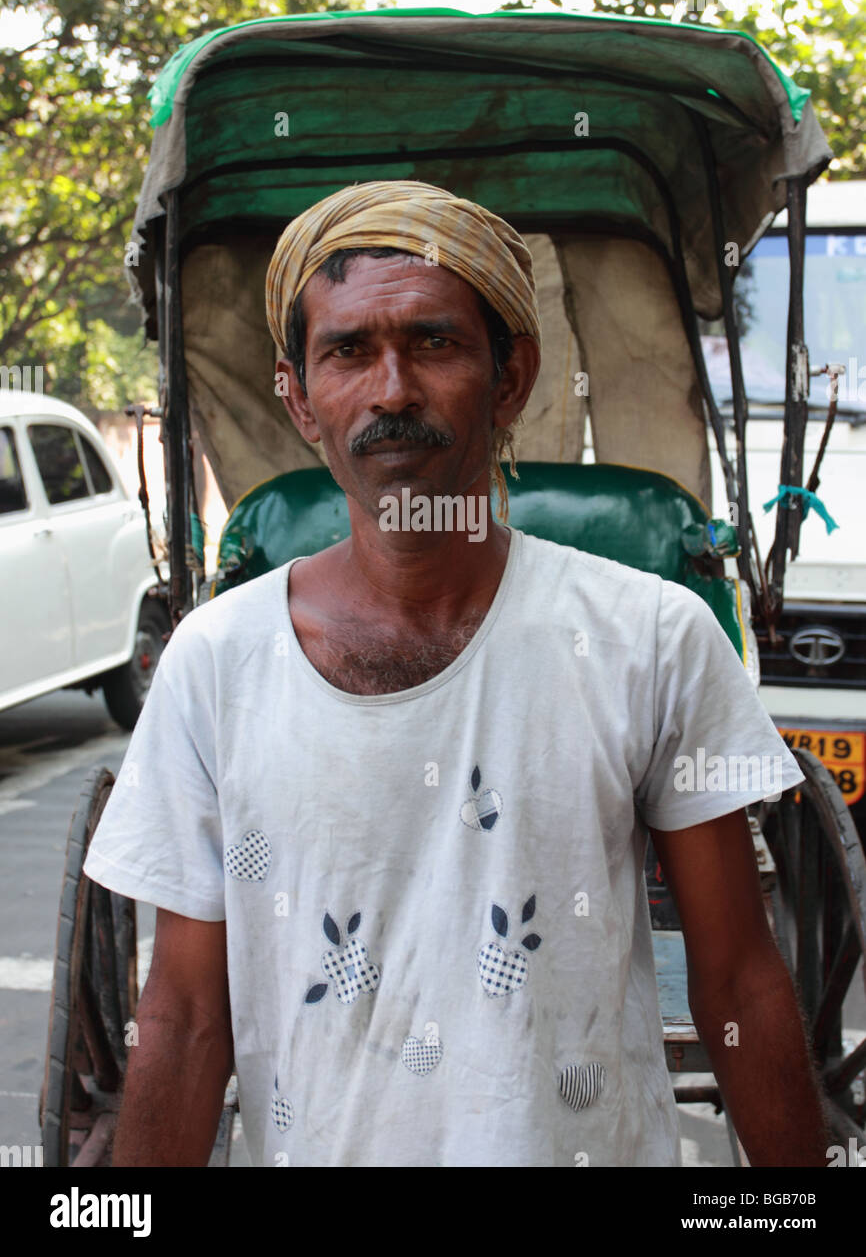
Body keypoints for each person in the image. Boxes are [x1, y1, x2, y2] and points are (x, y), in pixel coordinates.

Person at [84, 179, 828, 1168]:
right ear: (300, 399)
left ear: (511, 377)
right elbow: (180, 1016)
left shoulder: (649, 636)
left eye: (431, 342)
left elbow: (737, 979)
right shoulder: (214, 665)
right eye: (347, 350)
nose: (390, 390)